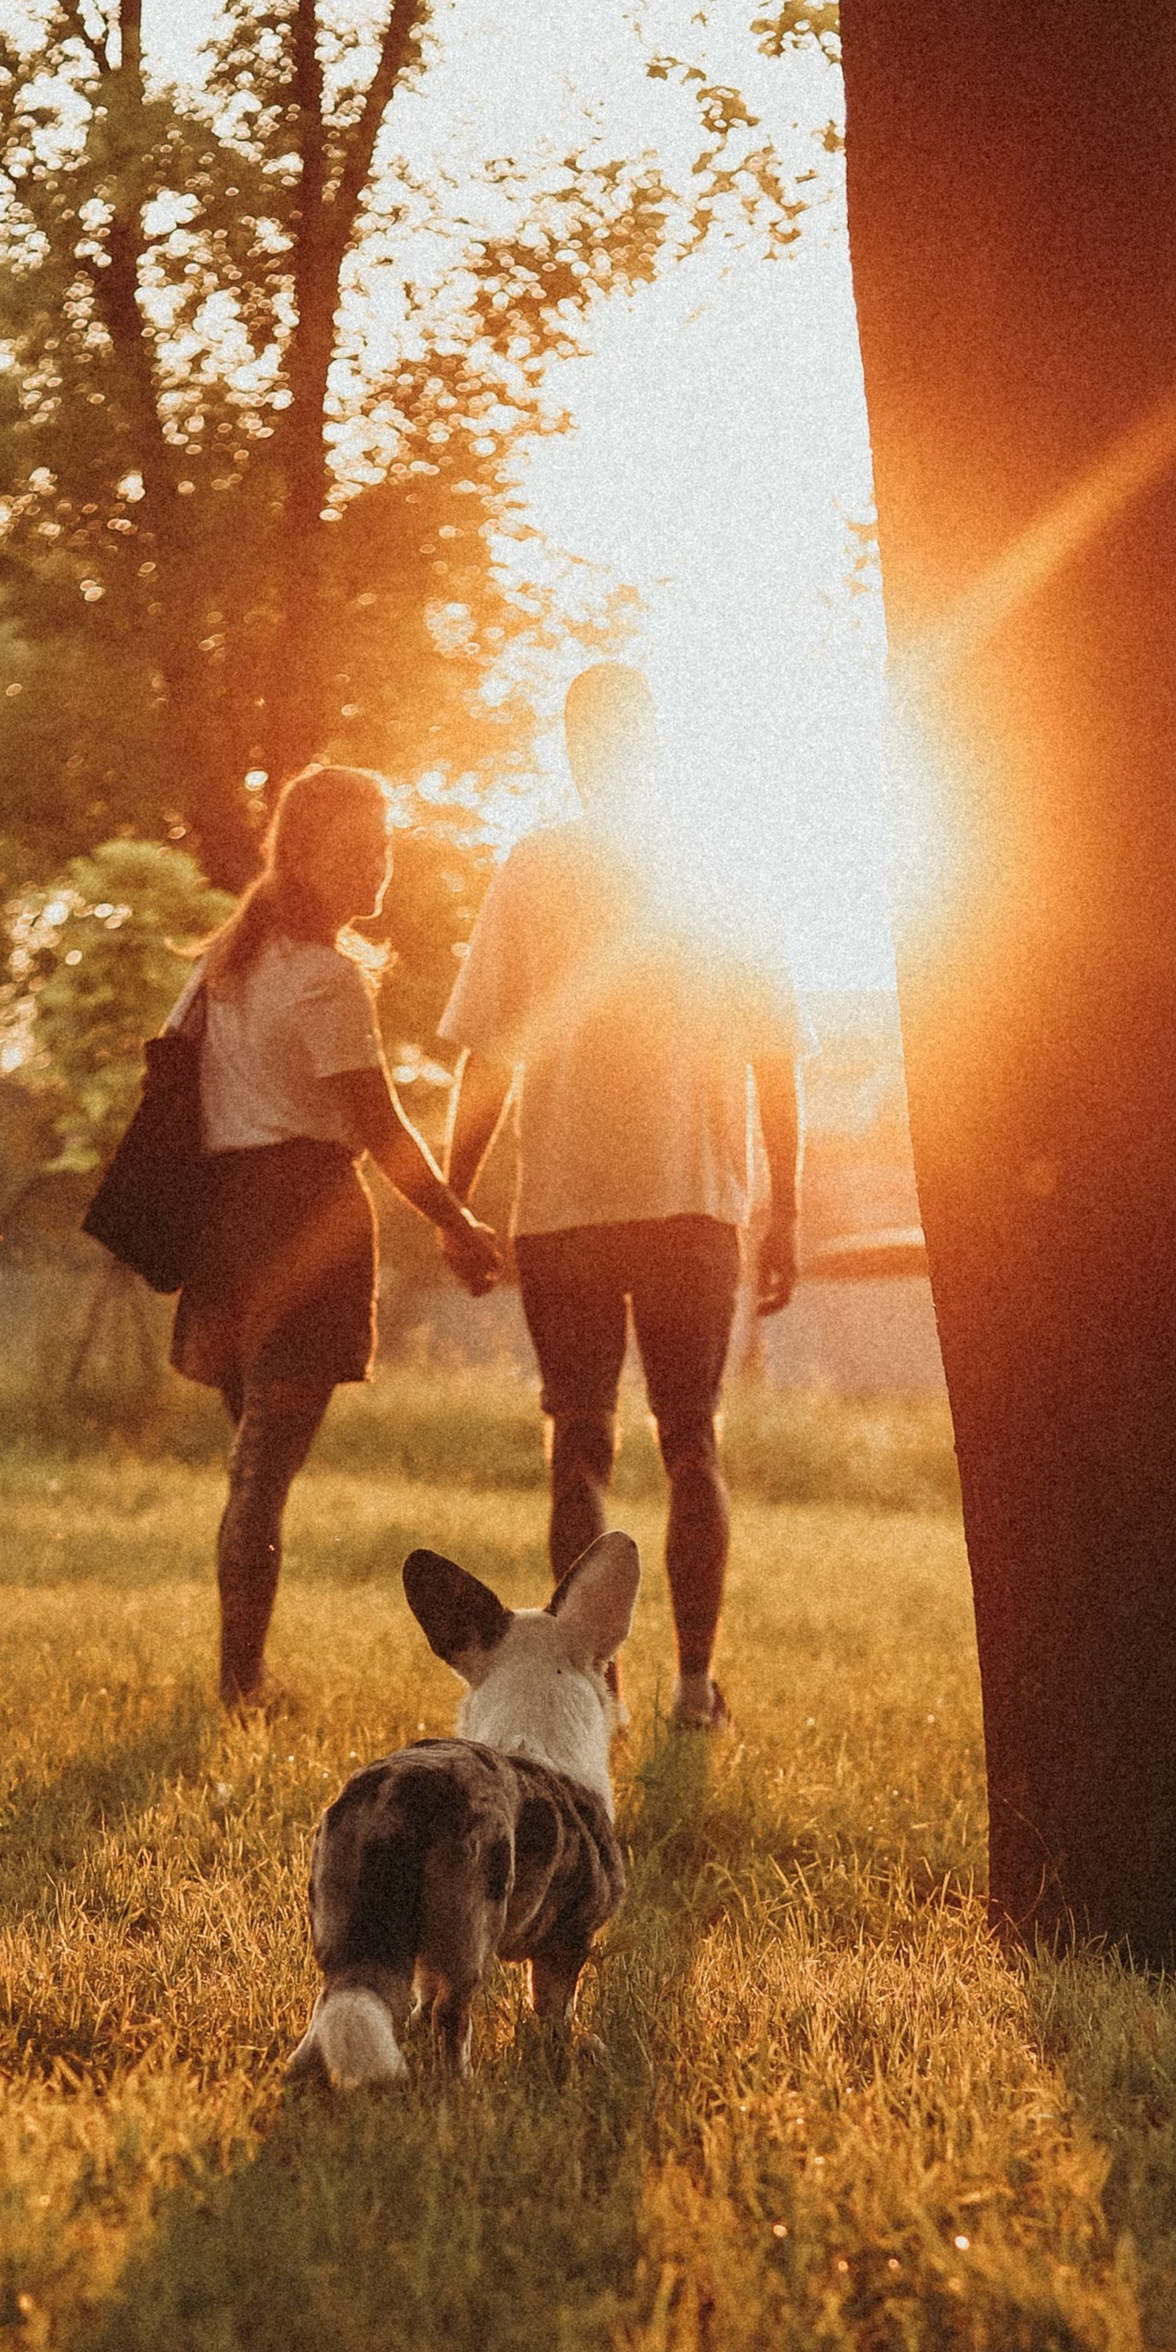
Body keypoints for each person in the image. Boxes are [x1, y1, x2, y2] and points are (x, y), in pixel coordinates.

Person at [438, 663, 802, 1732]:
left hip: (564, 1204)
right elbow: (777, 1055)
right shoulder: (725, 868)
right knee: (692, 1439)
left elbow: (489, 1055)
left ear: (573, 747)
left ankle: (600, 1688)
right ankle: (695, 1686)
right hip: (694, 1198)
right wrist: (787, 1204)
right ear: (657, 743)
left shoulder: (533, 867)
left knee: (579, 1444)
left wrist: (453, 1202)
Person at [170, 762, 504, 1710]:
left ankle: (243, 1675)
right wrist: (460, 1224)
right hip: (300, 1220)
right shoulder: (325, 978)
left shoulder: (221, 970)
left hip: (224, 1224)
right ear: (304, 857)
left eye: (387, 848)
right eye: (360, 852)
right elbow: (382, 1130)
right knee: (263, 1470)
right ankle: (242, 1685)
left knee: (257, 1461)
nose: (381, 869)